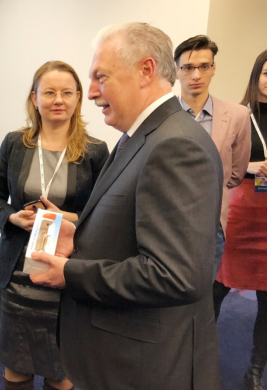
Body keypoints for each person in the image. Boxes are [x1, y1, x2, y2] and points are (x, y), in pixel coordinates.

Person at [29, 22, 223, 389]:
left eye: (101, 77)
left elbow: (174, 275)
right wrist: (80, 236)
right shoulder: (144, 136)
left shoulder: (175, 145)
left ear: (146, 70)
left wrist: (71, 272)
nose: (91, 93)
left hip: (144, 367)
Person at [0, 60, 109, 390]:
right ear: (34, 98)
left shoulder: (95, 151)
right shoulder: (15, 143)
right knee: (17, 367)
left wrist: (66, 218)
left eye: (67, 92)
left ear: (78, 97)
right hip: (17, 273)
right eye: (49, 92)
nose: (58, 100)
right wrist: (12, 217)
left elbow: (105, 214)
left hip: (64, 275)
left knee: (60, 371)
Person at [174, 35, 251, 281]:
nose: (196, 75)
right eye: (188, 68)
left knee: (202, 290)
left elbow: (235, 173)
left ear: (214, 68)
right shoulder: (162, 114)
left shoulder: (238, 115)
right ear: (176, 71)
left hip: (211, 222)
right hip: (167, 219)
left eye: (204, 66)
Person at [214, 49, 267, 390]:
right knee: (217, 286)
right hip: (242, 211)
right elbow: (222, 162)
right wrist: (251, 167)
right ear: (256, 75)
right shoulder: (239, 115)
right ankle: (198, 356)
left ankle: (255, 370)